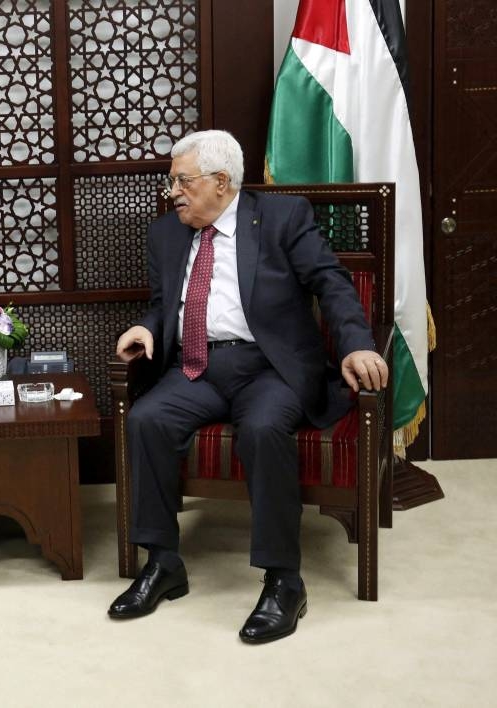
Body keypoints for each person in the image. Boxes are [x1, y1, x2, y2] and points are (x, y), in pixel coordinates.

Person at [108, 130, 387, 643]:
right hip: (197, 365)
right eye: (172, 181)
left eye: (182, 181)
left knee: (261, 428)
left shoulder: (282, 217)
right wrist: (148, 325)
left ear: (220, 182)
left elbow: (331, 282)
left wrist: (356, 345)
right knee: (146, 419)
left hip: (270, 367)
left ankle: (284, 580)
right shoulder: (167, 234)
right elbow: (162, 301)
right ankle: (163, 562)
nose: (173, 191)